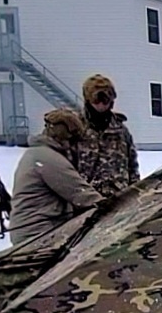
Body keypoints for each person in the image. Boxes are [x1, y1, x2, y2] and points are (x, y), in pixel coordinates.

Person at [8, 108, 103, 248]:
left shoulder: (37, 153)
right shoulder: (47, 158)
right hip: (37, 233)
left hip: (33, 229)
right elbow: (80, 193)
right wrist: (113, 207)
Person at [78, 74, 140, 197]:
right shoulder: (75, 128)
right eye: (97, 100)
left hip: (118, 199)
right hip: (85, 201)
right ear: (88, 100)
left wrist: (134, 194)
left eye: (105, 100)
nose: (101, 105)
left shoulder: (121, 131)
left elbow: (132, 167)